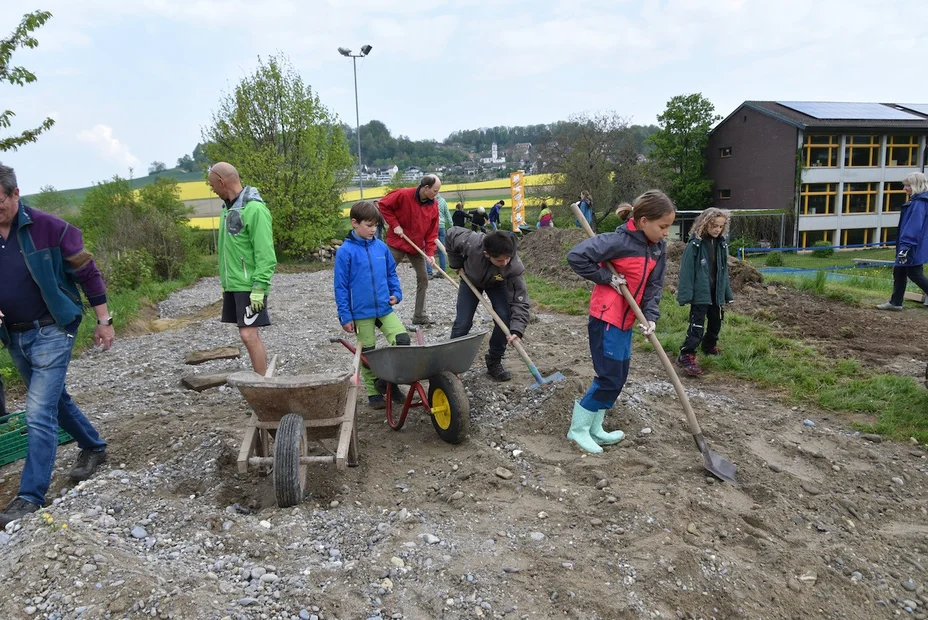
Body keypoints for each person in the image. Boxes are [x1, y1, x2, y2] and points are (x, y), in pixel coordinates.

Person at [0, 163, 112, 526]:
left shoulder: (50, 227)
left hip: (52, 328)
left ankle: (30, 496)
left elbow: (87, 271)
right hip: (14, 334)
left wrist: (104, 320)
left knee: (38, 412)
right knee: (52, 399)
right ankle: (94, 446)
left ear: (15, 194)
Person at [565, 190, 676, 454]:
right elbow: (576, 256)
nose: (666, 233)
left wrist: (650, 316)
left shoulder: (658, 248)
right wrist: (606, 277)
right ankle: (578, 430)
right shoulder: (617, 242)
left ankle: (595, 428)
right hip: (607, 318)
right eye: (662, 226)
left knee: (619, 375)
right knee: (609, 377)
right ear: (643, 221)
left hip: (628, 321)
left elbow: (654, 286)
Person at [334, 201, 411, 409]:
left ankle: (388, 382)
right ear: (354, 223)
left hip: (384, 308)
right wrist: (345, 315)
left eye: (376, 225)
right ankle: (373, 392)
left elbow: (390, 273)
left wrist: (396, 293)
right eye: (369, 225)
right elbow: (340, 286)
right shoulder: (345, 252)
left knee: (402, 340)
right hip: (361, 312)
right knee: (368, 352)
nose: (373, 229)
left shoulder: (381, 247)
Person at [208, 162, 277, 376]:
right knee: (246, 334)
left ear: (222, 182)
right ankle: (262, 381)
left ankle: (263, 387)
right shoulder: (228, 209)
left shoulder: (254, 209)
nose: (212, 190)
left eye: (213, 186)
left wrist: (260, 287)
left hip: (250, 284)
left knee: (248, 335)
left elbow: (265, 254)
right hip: (235, 284)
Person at [447, 228, 530, 381]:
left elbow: (520, 300)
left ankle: (494, 360)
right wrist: (456, 263)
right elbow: (451, 234)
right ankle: (450, 365)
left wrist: (517, 329)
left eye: (507, 259)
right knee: (463, 323)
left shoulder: (513, 267)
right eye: (499, 260)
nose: (504, 263)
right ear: (487, 254)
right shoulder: (471, 243)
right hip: (470, 279)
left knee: (505, 318)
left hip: (497, 283)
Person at [676, 208, 735, 376]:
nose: (717, 229)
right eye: (714, 225)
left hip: (716, 292)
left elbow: (723, 272)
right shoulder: (695, 244)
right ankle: (686, 354)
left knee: (716, 321)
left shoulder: (721, 244)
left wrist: (726, 294)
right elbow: (687, 271)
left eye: (721, 226)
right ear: (705, 223)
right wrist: (686, 295)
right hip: (700, 293)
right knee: (697, 324)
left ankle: (709, 346)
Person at [379, 174, 441, 325]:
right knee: (382, 274)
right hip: (397, 243)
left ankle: (419, 316)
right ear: (426, 188)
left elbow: (433, 231)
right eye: (435, 190)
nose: (436, 194)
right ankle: (377, 312)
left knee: (424, 278)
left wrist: (430, 253)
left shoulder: (434, 205)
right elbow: (383, 204)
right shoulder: (403, 194)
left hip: (416, 247)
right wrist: (395, 224)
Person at [876, 172, 928, 311]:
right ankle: (895, 303)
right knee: (899, 271)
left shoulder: (919, 203)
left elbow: (913, 226)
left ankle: (896, 302)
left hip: (912, 246)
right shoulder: (916, 202)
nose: (905, 188)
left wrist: (905, 248)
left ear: (916, 186)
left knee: (915, 274)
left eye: (908, 185)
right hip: (911, 244)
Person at [427, 193, 453, 279]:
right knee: (441, 250)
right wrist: (452, 226)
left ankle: (429, 273)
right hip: (441, 226)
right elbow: (447, 214)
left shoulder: (428, 201)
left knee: (428, 250)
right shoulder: (442, 201)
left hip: (431, 227)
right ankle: (442, 272)